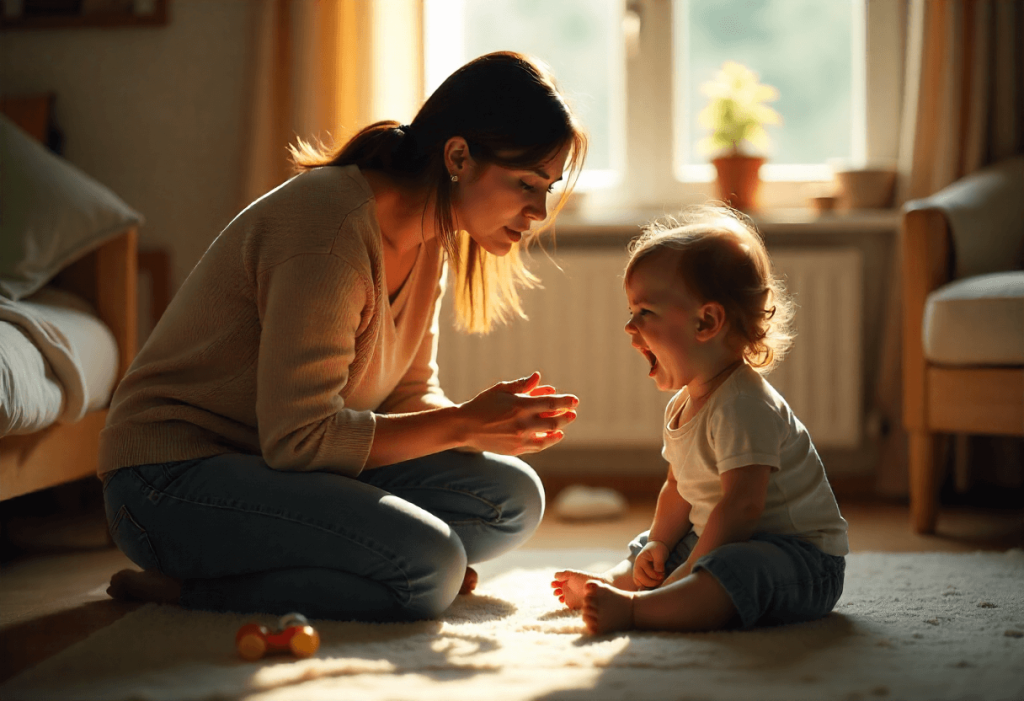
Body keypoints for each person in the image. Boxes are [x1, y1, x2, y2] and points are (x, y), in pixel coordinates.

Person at [100, 51, 587, 622]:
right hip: (169, 483)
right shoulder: (329, 232)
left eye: (548, 188)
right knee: (430, 567)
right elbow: (299, 440)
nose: (538, 210)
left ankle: (354, 564)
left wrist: (485, 429)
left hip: (274, 467)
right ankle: (188, 590)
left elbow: (408, 394)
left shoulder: (431, 237)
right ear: (458, 155)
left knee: (513, 499)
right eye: (528, 183)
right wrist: (462, 423)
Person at [551, 205, 848, 635]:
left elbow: (742, 505)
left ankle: (639, 610)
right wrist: (659, 543)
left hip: (798, 561)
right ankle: (617, 584)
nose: (629, 327)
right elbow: (677, 488)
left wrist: (692, 566)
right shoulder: (684, 402)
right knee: (653, 549)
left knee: (726, 568)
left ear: (706, 321)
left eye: (644, 312)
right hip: (730, 536)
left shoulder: (744, 405)